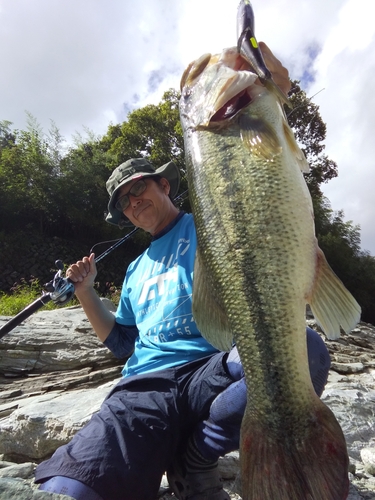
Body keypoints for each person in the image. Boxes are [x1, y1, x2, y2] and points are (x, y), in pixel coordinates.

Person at [35, 44, 331, 500]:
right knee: (70, 491)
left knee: (306, 351)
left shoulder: (212, 221)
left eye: (140, 189)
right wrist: (86, 292)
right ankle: (165, 452)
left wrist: (275, 88)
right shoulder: (134, 269)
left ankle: (196, 456)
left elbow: (271, 170)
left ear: (165, 185)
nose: (135, 204)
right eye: (125, 204)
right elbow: (123, 343)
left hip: (211, 368)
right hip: (144, 388)